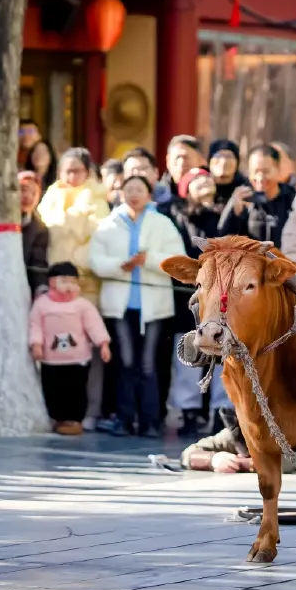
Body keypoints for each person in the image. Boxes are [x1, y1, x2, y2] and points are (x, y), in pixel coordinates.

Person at [88, 176, 185, 438]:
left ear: (149, 193)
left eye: (139, 189)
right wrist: (121, 266)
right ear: (120, 193)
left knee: (147, 364)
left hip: (152, 306)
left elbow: (178, 258)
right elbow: (95, 260)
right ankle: (124, 418)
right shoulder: (108, 224)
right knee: (125, 362)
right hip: (120, 306)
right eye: (128, 189)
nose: (133, 194)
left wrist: (149, 260)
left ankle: (150, 421)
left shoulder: (162, 223)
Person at [38, 147, 110, 429]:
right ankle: (55, 410)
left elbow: (97, 238)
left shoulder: (97, 197)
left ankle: (88, 410)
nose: (70, 176)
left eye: (76, 170)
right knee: (53, 349)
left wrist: (74, 269)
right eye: (66, 170)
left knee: (86, 350)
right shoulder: (51, 195)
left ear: (87, 171)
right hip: (54, 285)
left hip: (84, 283)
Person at [161, 167, 224, 438]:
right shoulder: (175, 215)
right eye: (197, 180)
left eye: (208, 179)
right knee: (188, 352)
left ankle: (222, 412)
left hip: (220, 293)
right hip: (186, 291)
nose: (205, 183)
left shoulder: (224, 215)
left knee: (223, 351)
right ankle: (188, 411)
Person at [29, 262, 112, 435]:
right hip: (50, 359)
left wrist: (103, 344)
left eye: (73, 281)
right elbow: (35, 325)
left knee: (76, 390)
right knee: (52, 389)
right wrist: (36, 344)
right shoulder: (41, 304)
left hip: (78, 358)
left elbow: (94, 326)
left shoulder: (82, 305)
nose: (69, 286)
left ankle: (75, 420)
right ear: (52, 282)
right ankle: (57, 418)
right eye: (64, 281)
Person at [219, 144, 296, 243]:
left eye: (266, 171)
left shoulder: (292, 199)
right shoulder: (241, 197)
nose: (260, 178)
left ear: (278, 169)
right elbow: (222, 239)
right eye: (255, 171)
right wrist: (236, 215)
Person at [20, 172, 50, 296]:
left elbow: (37, 264)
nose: (28, 197)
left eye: (34, 193)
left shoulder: (39, 228)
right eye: (23, 189)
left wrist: (40, 288)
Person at [207, 139, 250, 218]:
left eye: (229, 157)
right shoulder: (202, 185)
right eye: (218, 156)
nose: (223, 161)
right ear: (209, 161)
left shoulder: (245, 188)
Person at [162, 135, 207, 200]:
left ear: (201, 160)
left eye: (186, 158)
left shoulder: (210, 189)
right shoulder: (156, 194)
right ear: (168, 161)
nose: (181, 163)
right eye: (177, 157)